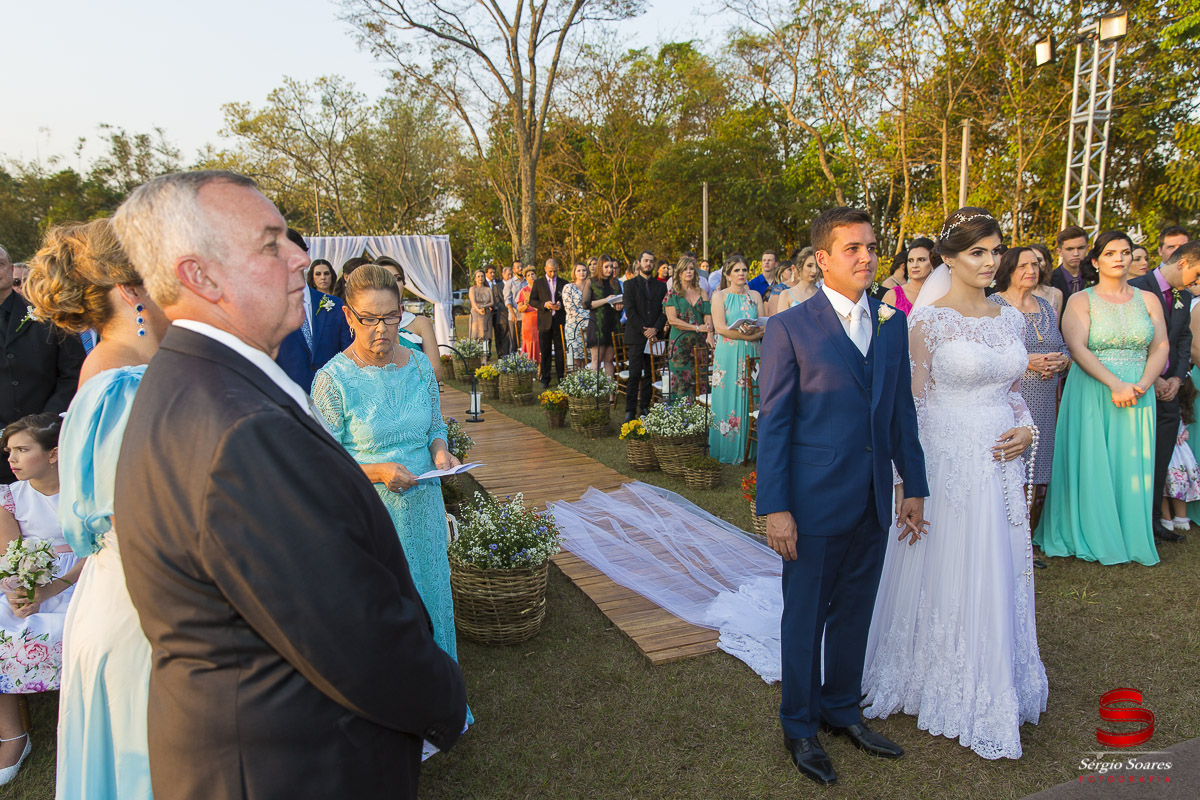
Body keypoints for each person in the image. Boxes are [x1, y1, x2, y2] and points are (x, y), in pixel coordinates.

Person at [111, 170, 466, 799]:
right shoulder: (238, 425)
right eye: (271, 243)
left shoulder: (201, 380)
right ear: (200, 275)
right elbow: (347, 634)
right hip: (290, 765)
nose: (302, 256)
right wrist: (441, 698)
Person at [864, 208, 1049, 760]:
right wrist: (907, 483)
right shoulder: (926, 322)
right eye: (978, 252)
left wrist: (1027, 429)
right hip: (945, 458)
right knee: (946, 563)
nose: (991, 262)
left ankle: (997, 674)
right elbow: (912, 407)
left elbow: (1015, 392)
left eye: (996, 251)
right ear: (949, 259)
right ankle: (935, 674)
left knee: (997, 562)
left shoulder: (1010, 319)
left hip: (999, 459)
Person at [757, 207, 928, 788]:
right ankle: (800, 726)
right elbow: (775, 423)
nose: (865, 256)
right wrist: (774, 506)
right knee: (804, 619)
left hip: (875, 498)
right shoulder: (789, 328)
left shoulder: (891, 322)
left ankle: (840, 708)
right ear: (822, 258)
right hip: (811, 501)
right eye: (851, 248)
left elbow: (901, 411)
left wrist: (913, 486)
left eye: (871, 247)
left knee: (855, 612)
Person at [21, 218, 169, 799]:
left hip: (139, 594)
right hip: (145, 605)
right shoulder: (119, 380)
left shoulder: (132, 370)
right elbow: (126, 516)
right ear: (133, 290)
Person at [312, 263, 471, 725]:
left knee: (431, 600)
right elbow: (323, 467)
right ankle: (391, 720)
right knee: (385, 617)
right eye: (369, 319)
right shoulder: (332, 381)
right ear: (348, 316)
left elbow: (435, 427)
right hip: (372, 521)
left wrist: (441, 454)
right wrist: (379, 471)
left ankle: (437, 706)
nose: (381, 329)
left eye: (390, 317)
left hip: (423, 507)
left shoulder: (419, 363)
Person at [1035, 231, 1172, 566]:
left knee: (1131, 463)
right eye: (1111, 253)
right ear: (1095, 261)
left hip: (1138, 391)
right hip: (1094, 390)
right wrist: (1114, 384)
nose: (1120, 259)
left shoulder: (1148, 299)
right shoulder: (1082, 300)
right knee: (1093, 459)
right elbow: (1077, 347)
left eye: (1125, 252)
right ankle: (1089, 529)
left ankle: (1129, 533)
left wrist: (1142, 383)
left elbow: (1161, 346)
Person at [0, 414, 79, 787]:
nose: (12, 459)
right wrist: (17, 594)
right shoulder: (9, 497)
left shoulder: (85, 492)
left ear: (53, 454)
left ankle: (83, 731)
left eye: (22, 450)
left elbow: (98, 550)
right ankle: (13, 736)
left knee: (84, 627)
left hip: (77, 579)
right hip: (25, 583)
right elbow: (7, 555)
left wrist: (52, 588)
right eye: (9, 451)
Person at [989, 246, 1069, 531]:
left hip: (1046, 401)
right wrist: (1027, 361)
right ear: (1008, 269)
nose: (1031, 271)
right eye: (1023, 266)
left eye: (1035, 265)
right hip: (1012, 399)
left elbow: (1062, 345)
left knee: (1037, 470)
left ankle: (1028, 538)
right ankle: (1004, 532)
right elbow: (987, 356)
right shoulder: (994, 305)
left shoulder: (1046, 306)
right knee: (1011, 470)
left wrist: (1062, 360)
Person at [1130, 238, 1198, 542]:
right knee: (1136, 458)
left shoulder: (1183, 295)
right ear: (1183, 262)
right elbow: (1131, 338)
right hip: (1141, 388)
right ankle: (1134, 518)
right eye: (1197, 273)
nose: (1198, 281)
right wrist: (1152, 377)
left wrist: (1178, 378)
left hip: (1170, 390)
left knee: (1161, 459)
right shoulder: (1136, 286)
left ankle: (1156, 520)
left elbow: (1184, 338)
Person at [0, 243, 86, 483]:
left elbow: (73, 372)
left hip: (49, 446)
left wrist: (42, 424)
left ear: (9, 269)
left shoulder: (48, 315)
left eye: (0, 264)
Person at [275, 229, 354, 391]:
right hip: (289, 399)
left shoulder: (335, 305)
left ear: (304, 259)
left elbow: (349, 354)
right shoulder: (267, 308)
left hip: (333, 397)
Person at [709, 256, 764, 463]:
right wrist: (747, 336)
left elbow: (763, 324)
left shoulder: (755, 296)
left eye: (744, 269)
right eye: (737, 270)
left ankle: (752, 449)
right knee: (729, 396)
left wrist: (754, 331)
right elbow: (721, 328)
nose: (741, 273)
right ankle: (728, 449)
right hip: (729, 353)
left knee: (752, 396)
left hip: (752, 351)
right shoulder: (720, 296)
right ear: (727, 274)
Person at [375, 257, 443, 383]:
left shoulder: (420, 323)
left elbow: (436, 372)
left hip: (418, 397)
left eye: (398, 278)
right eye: (388, 278)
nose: (395, 283)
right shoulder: (368, 324)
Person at [621, 251, 668, 422]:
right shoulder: (629, 285)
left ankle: (645, 407)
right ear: (639, 263)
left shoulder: (661, 287)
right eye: (645, 261)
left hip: (654, 337)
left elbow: (665, 311)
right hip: (636, 336)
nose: (648, 264)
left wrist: (655, 329)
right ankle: (630, 410)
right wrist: (644, 329)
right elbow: (630, 311)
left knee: (650, 373)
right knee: (634, 374)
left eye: (651, 261)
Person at [664, 256, 713, 403]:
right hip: (679, 344)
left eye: (691, 269)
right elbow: (673, 320)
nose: (689, 272)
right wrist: (697, 328)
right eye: (685, 269)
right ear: (679, 273)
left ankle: (700, 418)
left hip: (699, 343)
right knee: (681, 382)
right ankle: (681, 418)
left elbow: (707, 314)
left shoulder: (702, 292)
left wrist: (709, 332)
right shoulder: (672, 294)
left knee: (701, 378)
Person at [1163, 378, 1200, 532]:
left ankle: (1166, 518)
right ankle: (1181, 517)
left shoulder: (1168, 410)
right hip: (1182, 454)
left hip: (1169, 451)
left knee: (1163, 486)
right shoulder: (1185, 409)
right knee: (1180, 485)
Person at [529, 259, 568, 388]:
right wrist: (544, 304)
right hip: (545, 321)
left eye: (555, 271)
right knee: (545, 352)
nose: (553, 273)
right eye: (550, 271)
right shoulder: (538, 283)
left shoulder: (564, 283)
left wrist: (561, 304)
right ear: (545, 269)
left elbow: (568, 300)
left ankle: (561, 378)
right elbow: (532, 301)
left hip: (559, 322)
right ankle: (545, 379)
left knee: (560, 352)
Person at [583, 256, 622, 381]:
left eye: (611, 267)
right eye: (606, 267)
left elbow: (620, 301)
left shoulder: (615, 283)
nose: (609, 269)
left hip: (613, 323)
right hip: (598, 325)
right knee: (596, 359)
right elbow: (586, 304)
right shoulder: (591, 281)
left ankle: (610, 395)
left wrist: (619, 306)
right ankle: (597, 393)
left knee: (609, 360)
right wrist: (606, 300)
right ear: (600, 267)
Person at [880, 238, 935, 315]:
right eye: (911, 260)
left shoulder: (941, 295)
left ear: (933, 263)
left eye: (921, 260)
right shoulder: (893, 295)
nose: (914, 265)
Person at [1050, 225, 1095, 301]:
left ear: (1087, 248)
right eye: (1070, 249)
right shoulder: (1049, 281)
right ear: (1059, 252)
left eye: (1080, 248)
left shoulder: (1097, 278)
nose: (1076, 254)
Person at [775, 247, 820, 313]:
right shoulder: (786, 295)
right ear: (799, 267)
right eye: (809, 266)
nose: (814, 271)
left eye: (817, 266)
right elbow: (781, 322)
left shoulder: (821, 295)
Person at [563, 263, 590, 370]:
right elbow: (569, 308)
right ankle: (575, 381)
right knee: (575, 357)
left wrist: (590, 323)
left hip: (589, 329)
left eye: (583, 270)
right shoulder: (568, 287)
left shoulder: (590, 287)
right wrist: (586, 321)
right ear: (574, 272)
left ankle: (586, 380)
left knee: (588, 356)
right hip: (573, 328)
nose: (581, 273)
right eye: (578, 270)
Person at [1028, 242, 1065, 319]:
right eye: (1030, 261)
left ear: (1046, 263)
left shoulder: (1056, 294)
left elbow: (1056, 329)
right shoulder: (1013, 293)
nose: (1035, 265)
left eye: (1039, 260)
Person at [517, 266, 540, 362]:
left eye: (533, 274)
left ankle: (540, 367)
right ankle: (529, 364)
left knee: (540, 342)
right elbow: (519, 309)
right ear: (526, 278)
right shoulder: (523, 291)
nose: (531, 277)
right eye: (528, 275)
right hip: (529, 321)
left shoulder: (541, 289)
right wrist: (526, 305)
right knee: (529, 342)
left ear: (536, 276)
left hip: (540, 319)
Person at [486, 265, 510, 357]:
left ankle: (501, 352)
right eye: (490, 272)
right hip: (488, 312)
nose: (493, 274)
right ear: (486, 273)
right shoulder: (484, 283)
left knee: (500, 333)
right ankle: (488, 353)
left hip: (499, 312)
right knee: (488, 334)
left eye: (494, 272)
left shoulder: (500, 282)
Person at [468, 268, 494, 347]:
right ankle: (476, 354)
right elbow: (473, 303)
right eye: (478, 276)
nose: (480, 278)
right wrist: (478, 310)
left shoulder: (488, 289)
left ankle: (485, 356)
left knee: (485, 335)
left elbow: (492, 302)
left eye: (482, 276)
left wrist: (483, 306)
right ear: (475, 278)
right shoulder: (472, 289)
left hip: (486, 314)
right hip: (476, 314)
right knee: (475, 335)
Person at [504, 263, 525, 353]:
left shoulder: (527, 281)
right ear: (513, 270)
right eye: (518, 267)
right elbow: (507, 300)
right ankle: (514, 362)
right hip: (514, 316)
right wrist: (512, 313)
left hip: (525, 315)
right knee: (514, 341)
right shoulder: (510, 283)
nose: (520, 269)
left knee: (525, 340)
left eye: (521, 267)